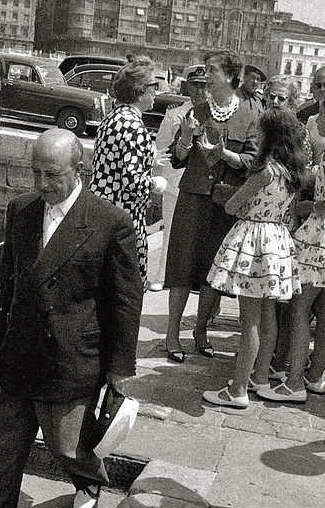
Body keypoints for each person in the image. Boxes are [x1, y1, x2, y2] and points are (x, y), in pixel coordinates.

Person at [0, 128, 143, 508]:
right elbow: (9, 282)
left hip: (70, 357)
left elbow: (125, 299)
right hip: (20, 356)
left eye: (52, 175)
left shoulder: (108, 221)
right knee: (1, 452)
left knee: (67, 447)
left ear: (78, 169)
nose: (42, 184)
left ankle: (89, 480)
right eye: (36, 174)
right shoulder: (21, 209)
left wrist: (119, 367)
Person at [203, 109, 307, 408]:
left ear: (270, 136)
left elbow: (234, 205)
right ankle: (259, 377)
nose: (256, 135)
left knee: (249, 320)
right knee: (267, 315)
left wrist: (234, 203)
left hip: (253, 240)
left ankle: (237, 390)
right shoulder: (290, 173)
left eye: (260, 131)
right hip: (276, 241)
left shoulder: (265, 171)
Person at [164, 49, 258, 363]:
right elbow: (177, 159)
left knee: (211, 270)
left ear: (232, 77)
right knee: (181, 266)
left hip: (223, 204)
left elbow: (253, 162)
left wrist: (225, 155)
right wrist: (186, 137)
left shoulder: (249, 116)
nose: (207, 76)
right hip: (192, 199)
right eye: (205, 69)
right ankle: (172, 332)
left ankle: (201, 330)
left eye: (212, 70)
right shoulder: (197, 111)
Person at [258, 91, 325, 403]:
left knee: (300, 308)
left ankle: (294, 382)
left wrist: (306, 208)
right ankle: (315, 374)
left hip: (320, 237)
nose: (321, 119)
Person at [90, 58, 166, 289]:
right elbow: (133, 181)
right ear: (140, 91)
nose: (157, 93)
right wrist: (155, 183)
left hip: (100, 210)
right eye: (154, 86)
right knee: (127, 286)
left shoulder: (112, 118)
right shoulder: (134, 125)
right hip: (124, 217)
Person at [150, 65, 209, 291]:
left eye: (204, 86)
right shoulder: (175, 112)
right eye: (195, 86)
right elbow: (162, 148)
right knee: (171, 229)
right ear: (188, 87)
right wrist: (158, 180)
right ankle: (162, 274)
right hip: (176, 180)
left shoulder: (215, 113)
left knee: (199, 231)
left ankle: (195, 279)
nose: (199, 92)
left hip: (202, 181)